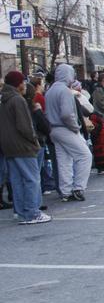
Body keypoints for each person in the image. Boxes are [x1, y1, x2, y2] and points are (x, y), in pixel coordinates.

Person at [2, 72, 50, 224]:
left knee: (16, 181)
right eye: (23, 81)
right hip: (23, 145)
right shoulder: (18, 100)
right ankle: (32, 212)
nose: (25, 84)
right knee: (31, 179)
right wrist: (34, 140)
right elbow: (25, 126)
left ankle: (22, 212)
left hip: (9, 146)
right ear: (19, 83)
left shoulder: (4, 99)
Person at [45, 64, 92, 200]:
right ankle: (79, 187)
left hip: (53, 129)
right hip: (66, 128)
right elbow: (66, 114)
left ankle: (65, 190)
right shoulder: (65, 91)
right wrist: (75, 127)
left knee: (63, 160)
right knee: (85, 156)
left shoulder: (50, 90)